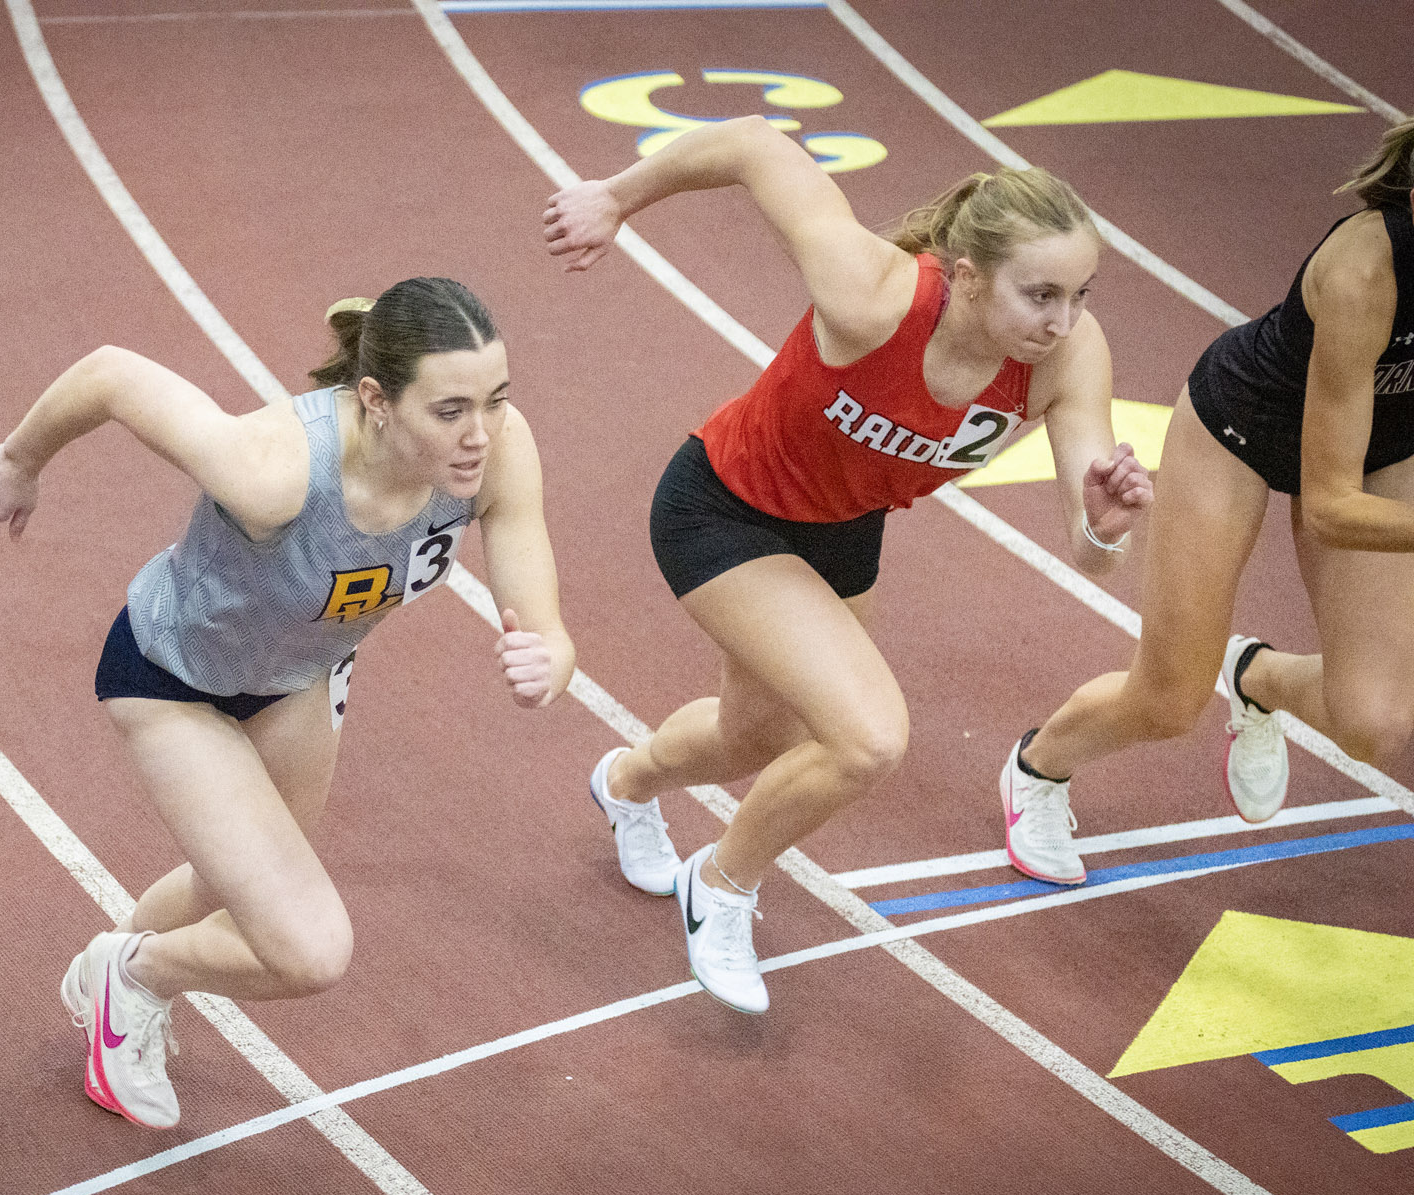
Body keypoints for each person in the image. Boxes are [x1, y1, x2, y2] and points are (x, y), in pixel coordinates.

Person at [543, 117, 1151, 1013]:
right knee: (867, 738)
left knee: (760, 738)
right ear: (970, 276)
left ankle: (625, 782)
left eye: (1082, 294)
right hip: (723, 508)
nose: (1062, 320)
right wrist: (615, 197)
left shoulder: (1066, 357)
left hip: (843, 531)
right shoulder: (873, 295)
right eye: (1041, 294)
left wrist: (1102, 527)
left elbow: (1090, 550)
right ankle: (721, 885)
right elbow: (756, 144)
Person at [0, 278, 573, 1128]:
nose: (480, 434)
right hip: (173, 679)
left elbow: (540, 606)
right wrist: (20, 460)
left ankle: (117, 978)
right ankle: (133, 978)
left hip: (298, 680)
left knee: (236, 888)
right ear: (377, 401)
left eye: (496, 400)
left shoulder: (496, 453)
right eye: (450, 410)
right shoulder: (277, 471)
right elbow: (111, 373)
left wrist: (550, 655)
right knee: (308, 947)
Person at [999, 118, 1414, 883]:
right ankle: (1039, 768)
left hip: (1386, 441)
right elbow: (1328, 505)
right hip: (1242, 428)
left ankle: (1254, 676)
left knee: (1375, 721)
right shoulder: (1367, 271)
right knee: (1170, 697)